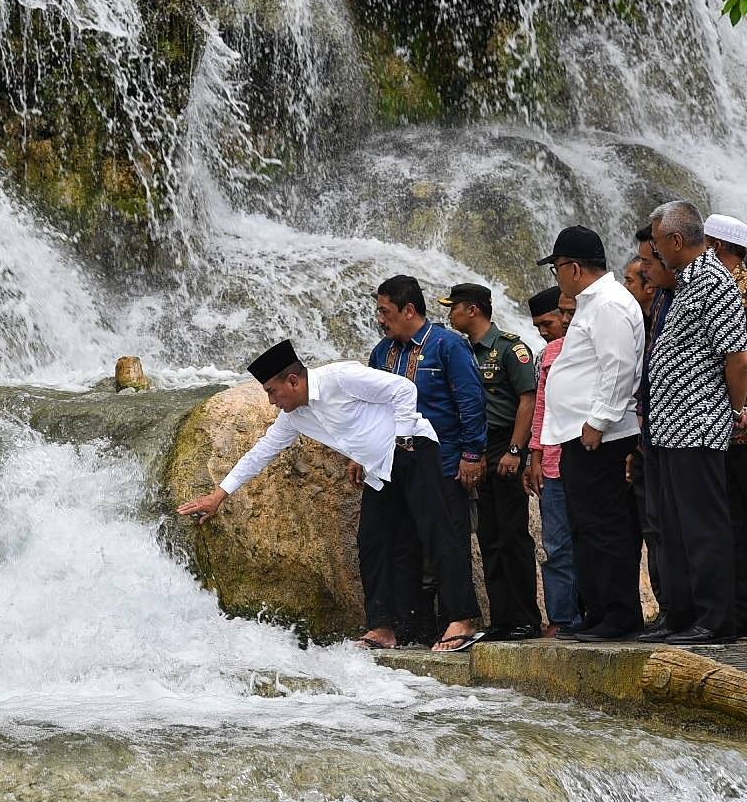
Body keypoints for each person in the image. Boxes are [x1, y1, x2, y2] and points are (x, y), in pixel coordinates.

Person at [175, 339, 484, 652]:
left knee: (437, 533)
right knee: (373, 543)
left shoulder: (340, 377)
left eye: (271, 391)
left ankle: (463, 620)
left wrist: (404, 438)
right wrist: (219, 494)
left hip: (413, 449)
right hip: (379, 468)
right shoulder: (294, 416)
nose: (271, 401)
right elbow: (262, 452)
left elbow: (403, 389)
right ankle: (386, 629)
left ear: (293, 381)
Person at [646, 201, 747, 645]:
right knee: (672, 527)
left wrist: (729, 411)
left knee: (702, 526)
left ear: (675, 240)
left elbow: (738, 357)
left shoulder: (714, 283)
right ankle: (681, 614)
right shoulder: (683, 284)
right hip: (669, 428)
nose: (653, 251)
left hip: (699, 425)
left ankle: (714, 619)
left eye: (656, 242)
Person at [538, 225, 646, 642]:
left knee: (606, 527)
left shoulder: (608, 304)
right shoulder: (594, 303)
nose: (557, 278)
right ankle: (598, 612)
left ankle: (619, 616)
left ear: (574, 268)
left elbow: (618, 367)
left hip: (600, 436)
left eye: (557, 269)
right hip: (581, 435)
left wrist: (597, 422)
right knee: (586, 526)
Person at [369, 275, 486, 644]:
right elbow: (369, 409)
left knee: (446, 540)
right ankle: (401, 628)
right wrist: (363, 454)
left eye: (385, 312)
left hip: (442, 459)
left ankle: (461, 620)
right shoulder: (381, 352)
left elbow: (471, 402)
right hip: (391, 462)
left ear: (408, 309)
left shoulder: (447, 345)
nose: (380, 319)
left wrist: (471, 455)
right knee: (396, 542)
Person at [442, 283, 541, 639]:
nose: (449, 314)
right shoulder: (460, 350)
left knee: (514, 534)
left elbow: (527, 400)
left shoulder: (509, 349)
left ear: (472, 309)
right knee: (489, 536)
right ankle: (502, 618)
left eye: (453, 307)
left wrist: (516, 451)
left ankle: (526, 618)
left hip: (505, 443)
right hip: (479, 447)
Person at [704, 213, 747, 641]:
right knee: (731, 524)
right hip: (717, 429)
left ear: (716, 246)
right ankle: (743, 612)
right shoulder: (707, 290)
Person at [527, 286, 581, 638]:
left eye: (560, 317)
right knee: (557, 545)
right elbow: (541, 408)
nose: (556, 324)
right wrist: (534, 454)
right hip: (553, 464)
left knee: (594, 540)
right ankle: (561, 619)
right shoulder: (548, 355)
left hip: (588, 461)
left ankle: (596, 614)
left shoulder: (592, 347)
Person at [632, 226, 676, 630]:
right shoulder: (658, 307)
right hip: (651, 436)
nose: (642, 275)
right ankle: (669, 608)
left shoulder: (682, 299)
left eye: (646, 263)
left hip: (689, 432)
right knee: (656, 526)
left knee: (676, 525)